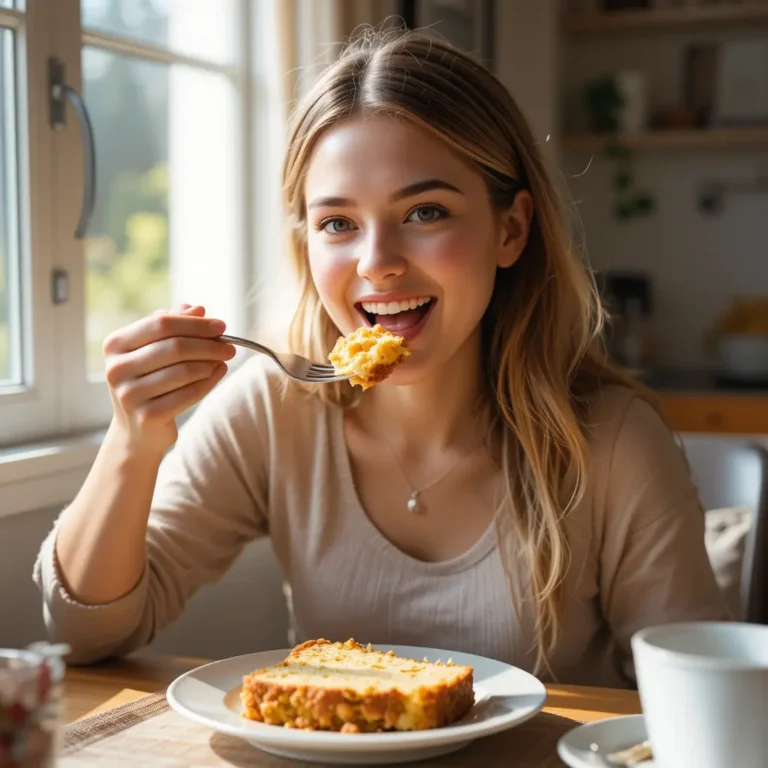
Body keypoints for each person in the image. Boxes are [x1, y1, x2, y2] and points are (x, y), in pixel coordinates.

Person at [33, 28, 728, 687]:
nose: (378, 264)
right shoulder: (276, 409)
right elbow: (82, 634)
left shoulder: (612, 444)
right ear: (308, 245)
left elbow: (696, 699)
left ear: (511, 230)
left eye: (425, 212)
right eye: (338, 223)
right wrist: (132, 443)